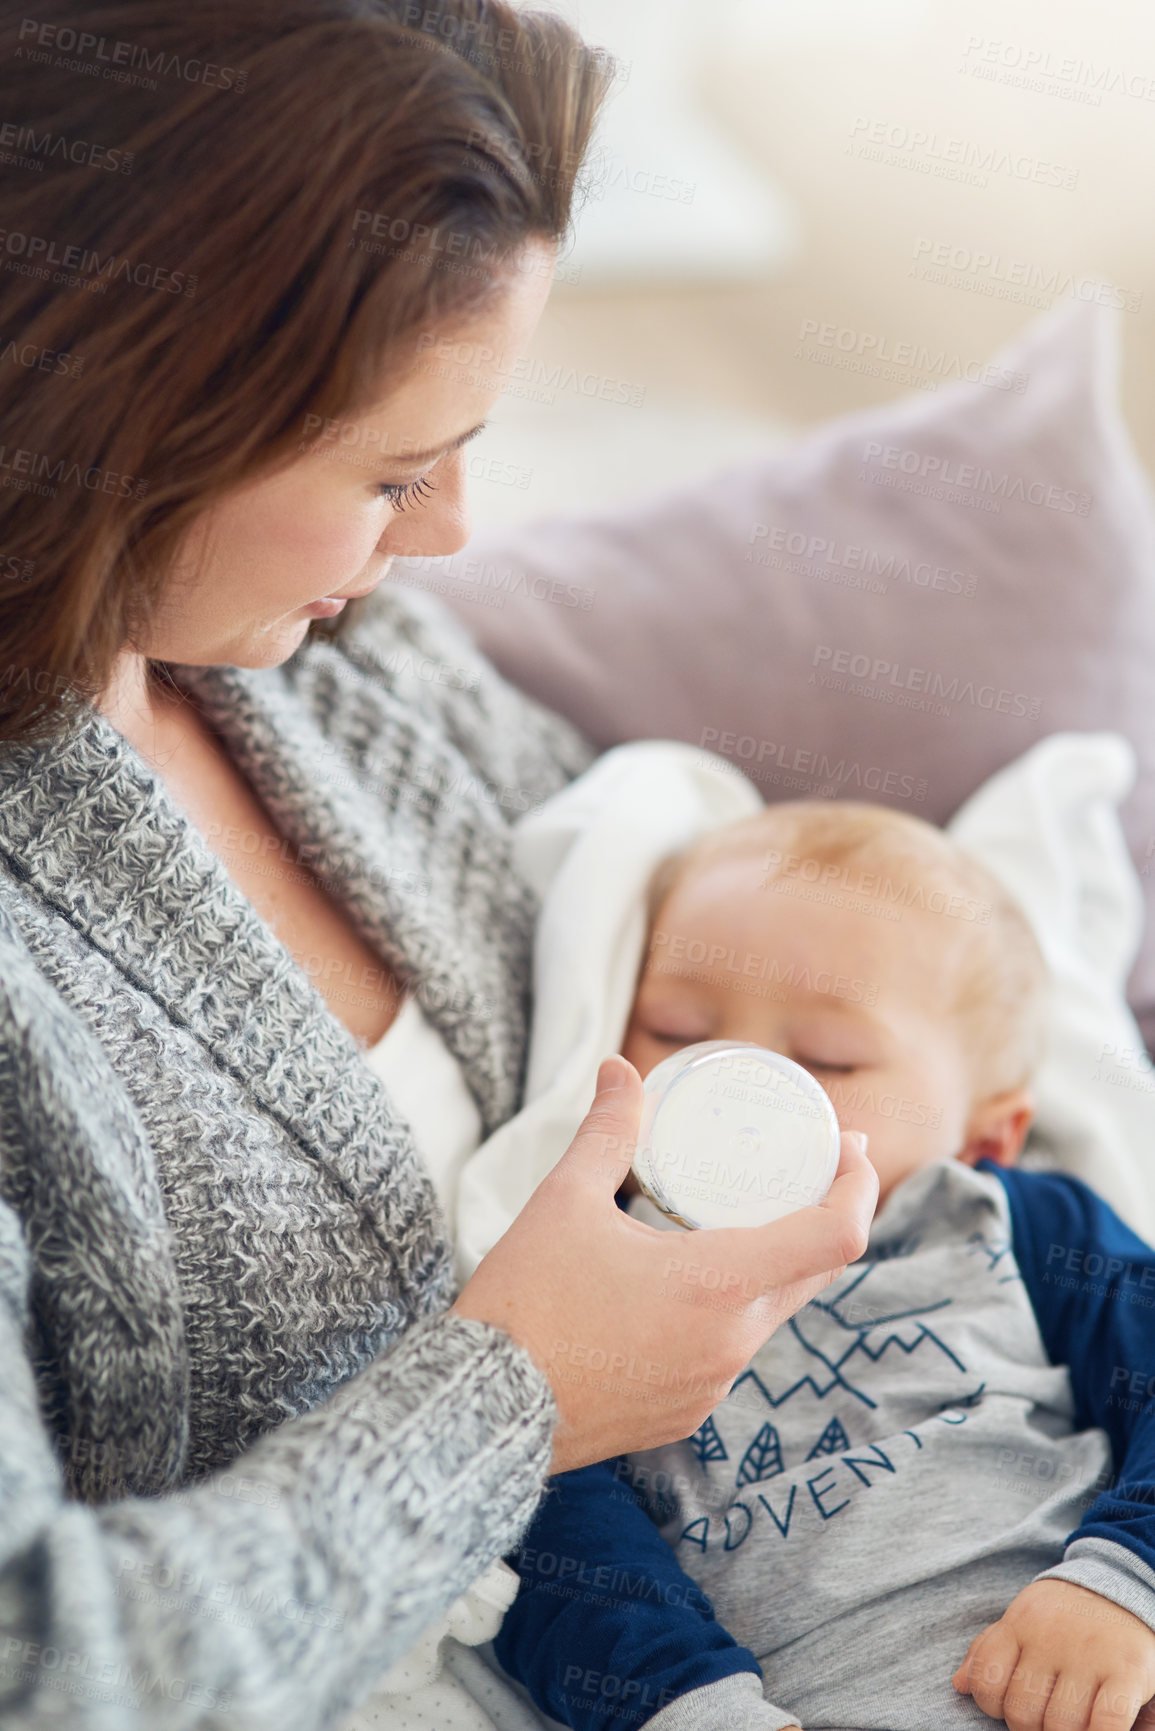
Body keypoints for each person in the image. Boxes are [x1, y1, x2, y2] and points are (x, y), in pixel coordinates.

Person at [0, 4, 878, 1727]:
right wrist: (520, 1396)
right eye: (396, 469)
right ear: (119, 403)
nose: (455, 532)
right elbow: (47, 1667)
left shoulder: (337, 665)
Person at [494, 801, 1155, 1731]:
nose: (745, 1089)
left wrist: (1124, 1578)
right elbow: (548, 1525)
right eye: (680, 1033)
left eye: (826, 1059)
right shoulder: (602, 1272)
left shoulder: (1010, 1221)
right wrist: (686, 1703)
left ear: (984, 1132)